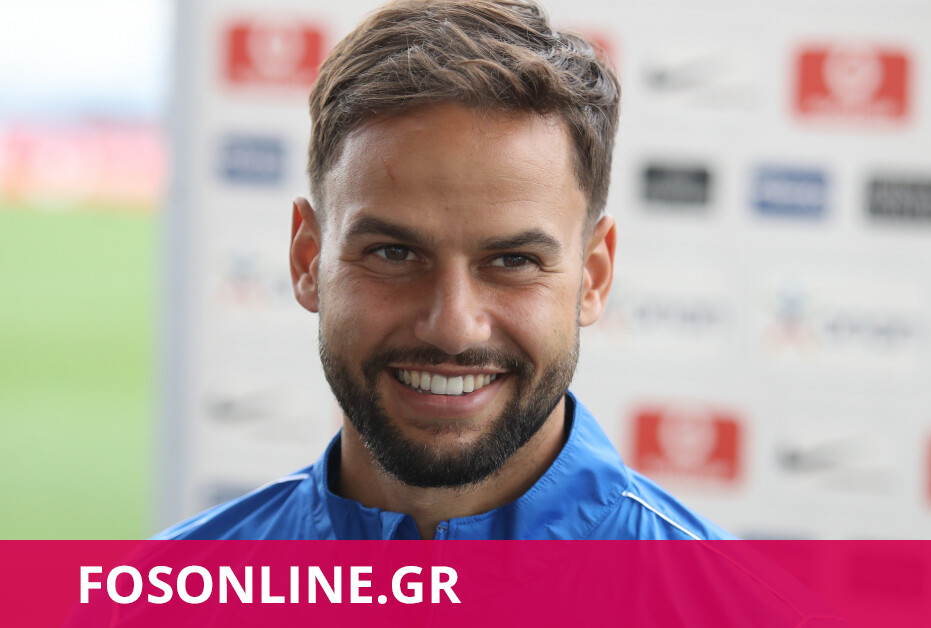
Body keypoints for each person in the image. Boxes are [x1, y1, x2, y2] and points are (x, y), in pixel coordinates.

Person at [158, 0, 733, 540]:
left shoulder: (735, 602)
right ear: (308, 259)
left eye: (512, 261)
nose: (453, 327)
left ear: (594, 277)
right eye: (394, 253)